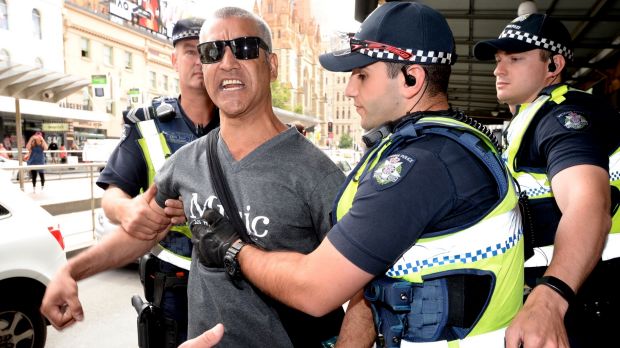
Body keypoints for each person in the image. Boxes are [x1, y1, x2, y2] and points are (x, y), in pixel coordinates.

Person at [193, 2, 525, 347]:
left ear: (412, 79)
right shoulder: (451, 144)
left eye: (362, 75)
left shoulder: (420, 167)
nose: (350, 89)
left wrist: (233, 249)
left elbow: (315, 289)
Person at [41, 6, 345, 347]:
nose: (227, 63)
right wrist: (70, 272)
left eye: (244, 48)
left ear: (271, 65)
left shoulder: (318, 174)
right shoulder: (185, 162)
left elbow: (362, 290)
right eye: (212, 53)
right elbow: (143, 232)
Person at [474, 13, 620, 348]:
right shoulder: (535, 115)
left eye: (515, 59)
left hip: (585, 300)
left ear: (553, 65)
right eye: (498, 60)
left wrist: (551, 295)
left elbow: (589, 205)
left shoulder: (564, 118)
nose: (499, 70)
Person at [95, 17, 219, 346]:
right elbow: (112, 195)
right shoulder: (147, 124)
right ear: (174, 60)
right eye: (190, 52)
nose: (198, 61)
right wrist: (126, 210)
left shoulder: (240, 119)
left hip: (231, 279)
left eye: (207, 52)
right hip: (173, 282)